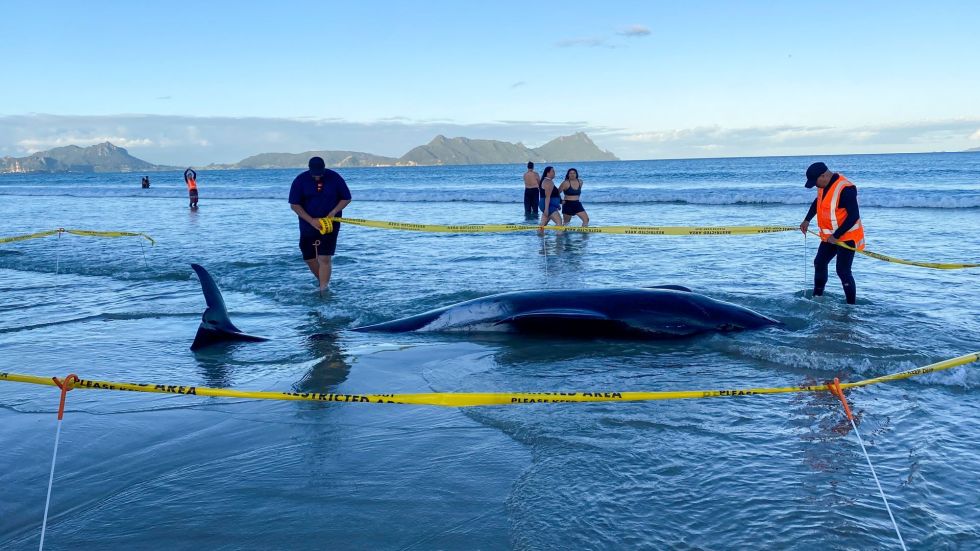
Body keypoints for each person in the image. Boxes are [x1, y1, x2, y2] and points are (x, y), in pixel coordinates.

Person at [799, 162, 865, 304]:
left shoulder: (846, 189)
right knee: (819, 262)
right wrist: (806, 220)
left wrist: (837, 235)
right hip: (830, 237)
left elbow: (854, 216)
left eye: (815, 182)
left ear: (823, 175)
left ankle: (851, 306)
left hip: (847, 236)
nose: (815, 186)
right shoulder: (823, 186)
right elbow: (818, 202)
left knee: (842, 270)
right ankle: (817, 297)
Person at [289, 156, 352, 293]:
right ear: (309, 170)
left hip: (330, 222)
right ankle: (322, 280)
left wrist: (334, 211)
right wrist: (311, 221)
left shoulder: (335, 177)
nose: (317, 177)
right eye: (315, 175)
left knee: (324, 257)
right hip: (307, 223)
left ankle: (324, 289)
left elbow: (346, 198)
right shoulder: (300, 180)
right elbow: (294, 205)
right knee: (309, 257)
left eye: (320, 174)